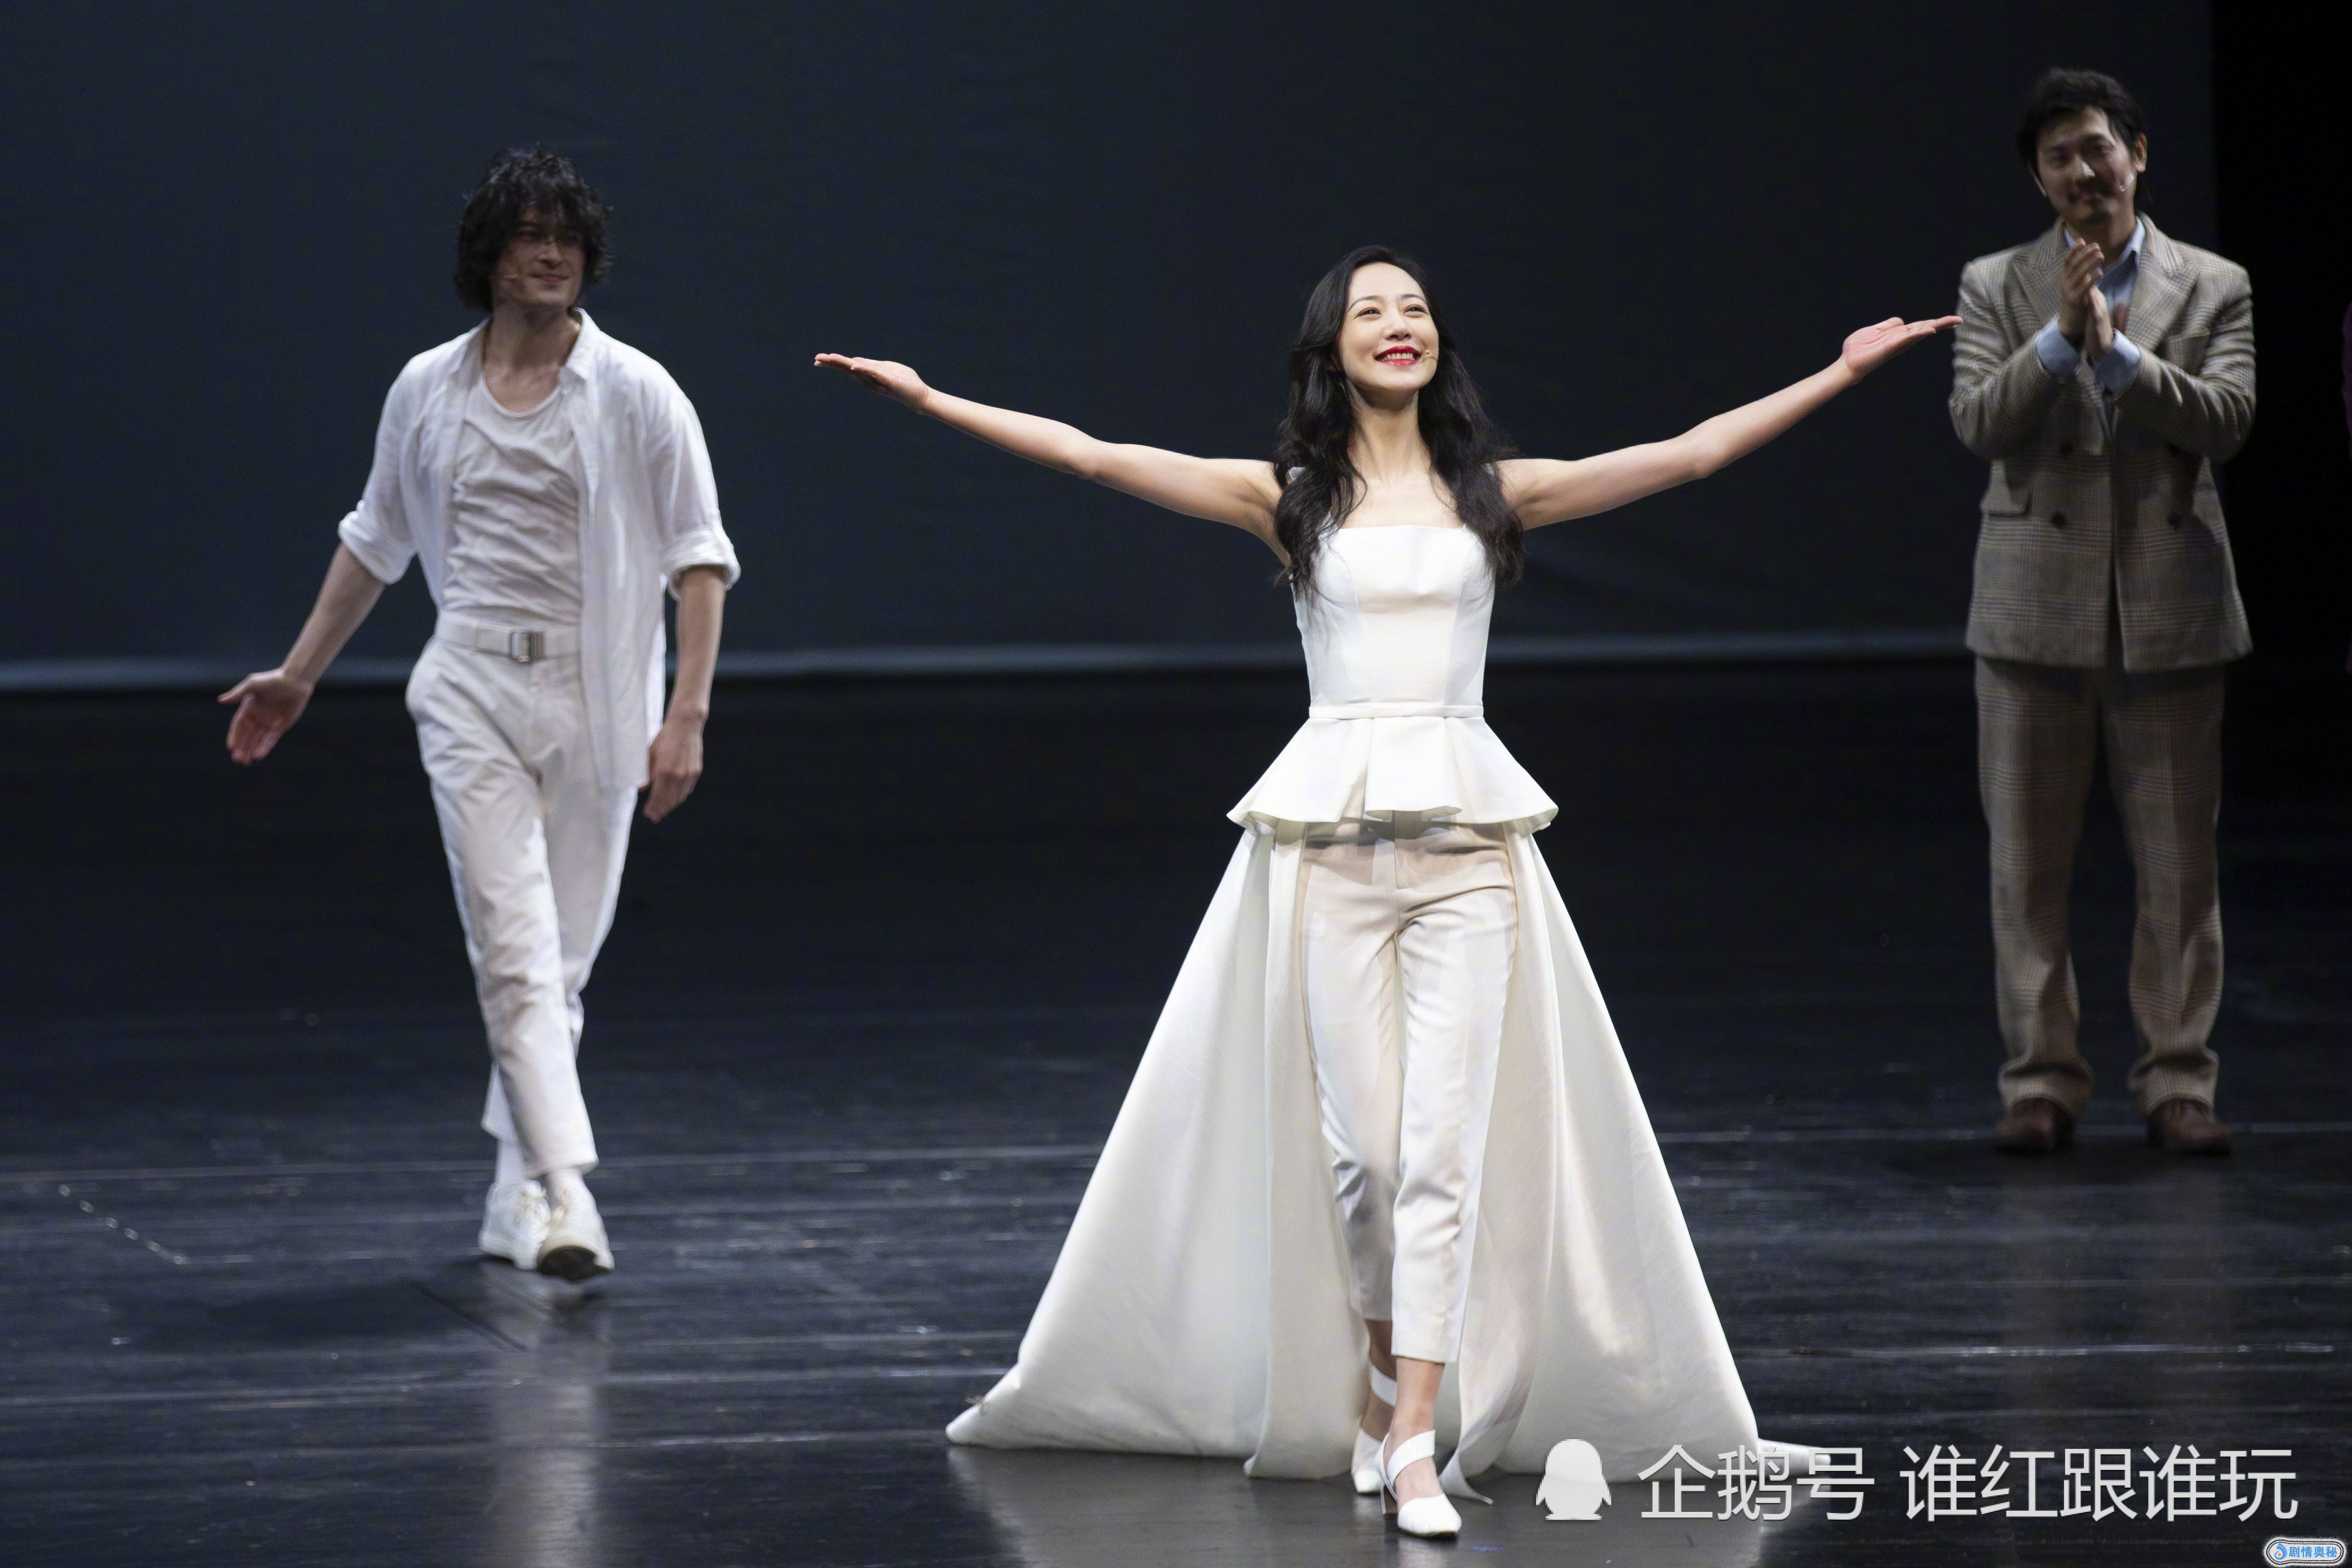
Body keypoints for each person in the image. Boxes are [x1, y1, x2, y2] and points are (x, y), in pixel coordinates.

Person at [818, 247, 1954, 1539]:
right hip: (1331, 850)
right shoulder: (1287, 497)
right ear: (1332, 347)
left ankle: (1414, 1432)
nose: (1398, 324)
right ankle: (1377, 1381)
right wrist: (931, 400)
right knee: (1368, 1157)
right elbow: (1092, 455)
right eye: (1371, 311)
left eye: (1414, 309)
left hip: (1470, 850)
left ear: (1437, 343)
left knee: (1443, 1152)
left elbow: (1689, 456)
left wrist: (1839, 373)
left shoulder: (1493, 494)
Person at [221, 148, 740, 1279]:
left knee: (560, 966)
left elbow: (699, 558)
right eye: (529, 235)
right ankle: (568, 1192)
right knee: (512, 952)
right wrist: (298, 674)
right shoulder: (427, 388)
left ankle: (514, 1195)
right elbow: (376, 539)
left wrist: (687, 716)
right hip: (469, 689)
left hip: (602, 699)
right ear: (488, 255)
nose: (551, 255)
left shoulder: (639, 390)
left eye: (568, 238)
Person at [1948, 70, 2255, 1157]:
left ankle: (2178, 1079)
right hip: (2031, 608)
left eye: (2096, 148)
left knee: (2178, 867)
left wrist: (2119, 354)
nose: (2082, 172)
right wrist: (2056, 338)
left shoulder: (2212, 283)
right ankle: (2040, 1080)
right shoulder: (1996, 283)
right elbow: (1977, 423)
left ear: (2137, 153)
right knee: (2026, 866)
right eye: (2058, 159)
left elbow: (2227, 420)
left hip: (2168, 606)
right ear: (2039, 181)